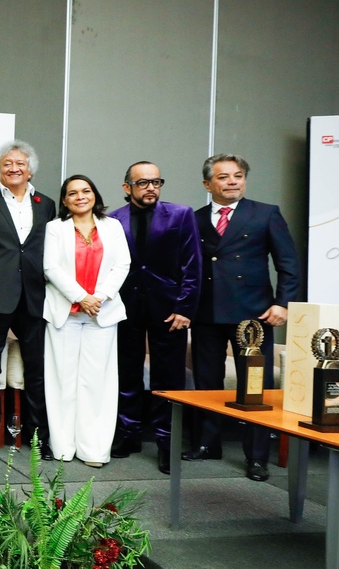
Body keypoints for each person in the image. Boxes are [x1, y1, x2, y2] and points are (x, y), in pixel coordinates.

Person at [186, 154, 299, 482]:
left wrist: (282, 304)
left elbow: (288, 263)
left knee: (255, 387)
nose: (232, 181)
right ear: (208, 184)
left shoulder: (265, 213)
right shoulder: (194, 218)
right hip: (206, 312)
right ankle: (207, 444)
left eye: (238, 175)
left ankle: (257, 457)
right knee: (207, 382)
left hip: (253, 314)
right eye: (223, 177)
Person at [107, 162, 201, 474]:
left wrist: (185, 308)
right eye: (143, 183)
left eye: (156, 182)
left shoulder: (181, 214)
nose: (151, 188)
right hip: (125, 308)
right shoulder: (112, 220)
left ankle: (166, 442)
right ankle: (129, 434)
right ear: (127, 187)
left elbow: (192, 264)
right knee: (126, 373)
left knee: (168, 378)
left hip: (169, 309)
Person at [0, 140, 57, 463]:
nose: (14, 168)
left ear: (30, 170)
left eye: (20, 163)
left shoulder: (46, 204)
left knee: (37, 370)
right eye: (7, 163)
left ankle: (38, 438)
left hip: (34, 295)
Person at [42, 175, 130, 467]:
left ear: (95, 195)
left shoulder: (112, 226)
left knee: (97, 384)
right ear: (64, 200)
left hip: (101, 314)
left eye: (86, 191)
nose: (80, 197)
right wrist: (82, 297)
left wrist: (98, 297)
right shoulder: (55, 228)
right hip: (64, 314)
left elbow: (122, 264)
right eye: (72, 193)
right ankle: (63, 447)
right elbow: (51, 267)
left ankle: (94, 449)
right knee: (63, 382)